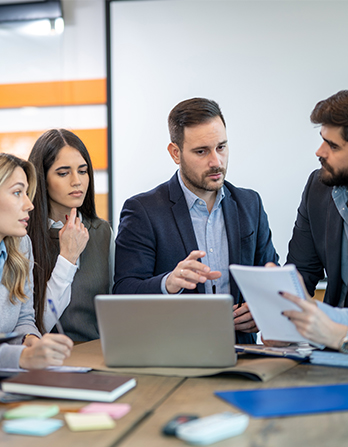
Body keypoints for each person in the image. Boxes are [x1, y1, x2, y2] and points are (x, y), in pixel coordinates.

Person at [113, 97, 279, 344]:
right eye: (201, 151)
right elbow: (123, 293)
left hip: (243, 355)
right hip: (173, 354)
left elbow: (270, 274)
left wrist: (263, 310)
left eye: (221, 147)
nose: (216, 162)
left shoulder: (250, 204)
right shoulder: (142, 211)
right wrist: (168, 283)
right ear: (175, 153)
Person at [28, 129, 113, 342]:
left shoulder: (102, 231)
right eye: (63, 173)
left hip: (96, 357)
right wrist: (67, 258)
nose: (77, 181)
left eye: (83, 171)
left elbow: (116, 310)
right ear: (42, 178)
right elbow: (37, 328)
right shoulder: (22, 235)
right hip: (47, 358)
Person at [0, 153, 72, 369]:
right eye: (17, 192)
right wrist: (22, 358)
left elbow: (23, 319)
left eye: (27, 193)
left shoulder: (21, 246)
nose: (29, 204)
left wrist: (31, 340)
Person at [287, 90, 348, 309]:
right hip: (330, 340)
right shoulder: (318, 186)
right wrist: (281, 316)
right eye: (323, 140)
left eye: (333, 146)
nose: (319, 152)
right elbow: (301, 271)